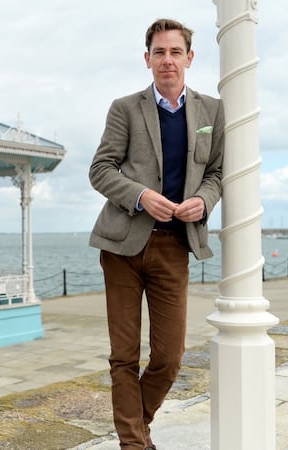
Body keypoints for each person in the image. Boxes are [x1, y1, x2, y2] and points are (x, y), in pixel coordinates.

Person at [88, 18, 224, 450]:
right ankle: (134, 444)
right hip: (122, 247)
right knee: (124, 356)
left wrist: (204, 199)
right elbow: (101, 170)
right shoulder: (124, 108)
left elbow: (218, 172)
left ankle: (134, 425)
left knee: (168, 358)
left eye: (175, 52)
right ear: (147, 59)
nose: (168, 60)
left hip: (174, 248)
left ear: (189, 58)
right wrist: (141, 195)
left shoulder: (213, 112)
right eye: (159, 53)